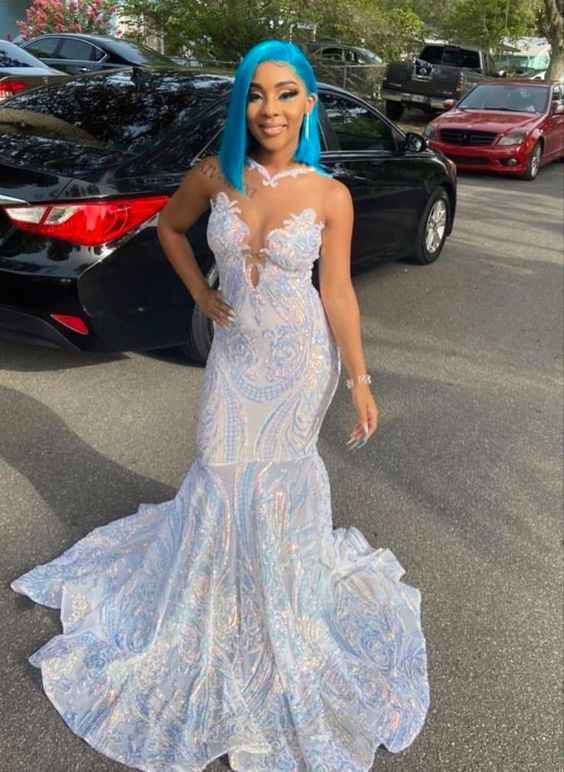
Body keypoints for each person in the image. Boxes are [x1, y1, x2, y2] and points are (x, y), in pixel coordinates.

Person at [11, 40, 429, 771]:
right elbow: (170, 230)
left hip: (300, 363)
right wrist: (200, 292)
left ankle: (277, 601)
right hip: (235, 358)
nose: (271, 109)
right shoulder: (213, 174)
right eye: (256, 94)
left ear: (308, 104)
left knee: (277, 481)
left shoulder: (330, 195)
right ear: (243, 104)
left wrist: (361, 380)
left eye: (286, 93)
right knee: (217, 467)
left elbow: (336, 292)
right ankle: (208, 600)